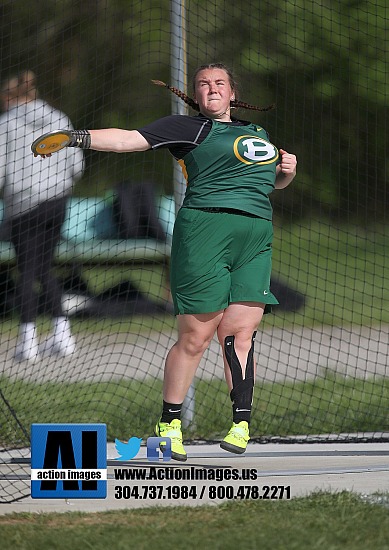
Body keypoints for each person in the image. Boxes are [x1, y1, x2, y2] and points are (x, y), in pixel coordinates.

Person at [35, 62, 297, 459]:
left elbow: (267, 183)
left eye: (219, 83)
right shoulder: (186, 129)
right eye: (203, 84)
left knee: (240, 335)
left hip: (256, 238)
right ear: (196, 94)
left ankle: (241, 423)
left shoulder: (255, 132)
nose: (211, 88)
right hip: (204, 235)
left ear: (232, 92)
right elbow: (127, 139)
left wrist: (287, 174)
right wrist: (76, 137)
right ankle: (169, 423)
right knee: (196, 336)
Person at [0, 70, 84, 361]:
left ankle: (28, 342)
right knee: (45, 268)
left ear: (9, 97)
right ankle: (62, 336)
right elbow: (77, 163)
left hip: (23, 205)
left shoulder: (6, 124)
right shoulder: (59, 119)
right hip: (57, 202)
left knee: (26, 271)